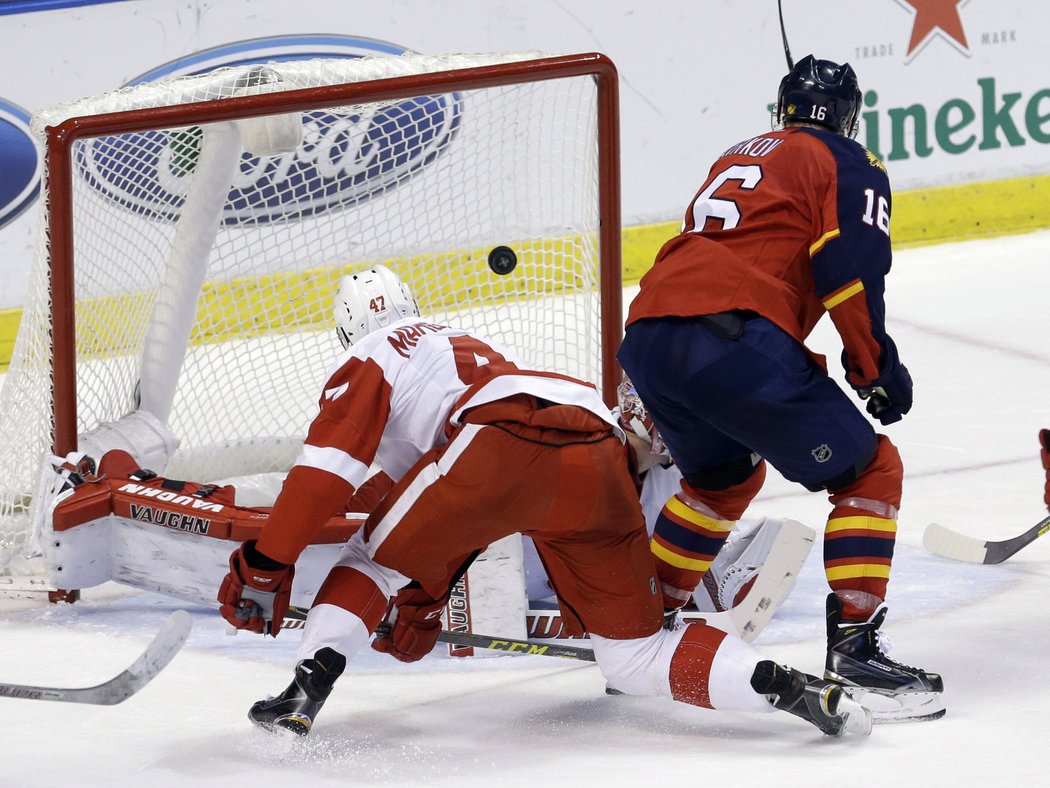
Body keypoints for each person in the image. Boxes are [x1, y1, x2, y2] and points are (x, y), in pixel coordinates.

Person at [217, 265, 872, 738]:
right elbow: (477, 507)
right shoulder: (462, 342)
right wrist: (424, 595)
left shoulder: (371, 354)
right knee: (636, 657)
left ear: (345, 332)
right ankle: (786, 688)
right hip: (597, 457)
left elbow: (329, 477)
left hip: (497, 448)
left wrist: (269, 562)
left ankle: (306, 691)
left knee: (369, 561)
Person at [617, 55, 944, 723]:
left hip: (648, 333)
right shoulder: (850, 161)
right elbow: (846, 268)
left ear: (783, 111)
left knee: (722, 480)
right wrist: (875, 367)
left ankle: (643, 620)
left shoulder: (737, 153)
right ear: (851, 117)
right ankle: (856, 650)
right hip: (730, 335)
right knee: (871, 470)